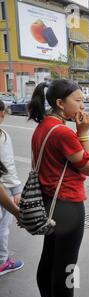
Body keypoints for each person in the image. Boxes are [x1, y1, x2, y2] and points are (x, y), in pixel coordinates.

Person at [28, 79, 89, 297]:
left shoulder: (44, 126)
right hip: (69, 206)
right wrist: (83, 132)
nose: (82, 106)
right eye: (78, 100)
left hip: (50, 202)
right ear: (60, 103)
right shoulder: (63, 133)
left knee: (49, 258)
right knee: (68, 266)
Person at [0, 101, 24, 277]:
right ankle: (2, 262)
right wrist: (16, 192)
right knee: (2, 228)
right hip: (4, 191)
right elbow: (7, 166)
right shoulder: (2, 136)